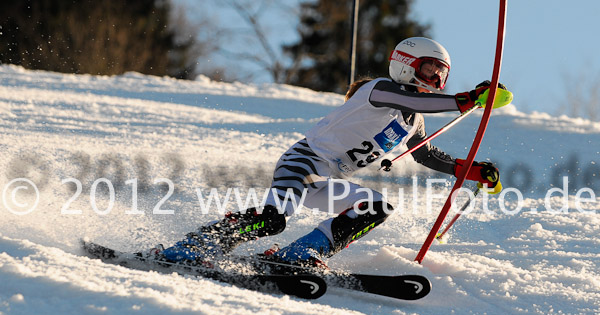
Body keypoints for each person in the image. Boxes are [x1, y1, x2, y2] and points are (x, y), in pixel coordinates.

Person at [158, 37, 507, 267]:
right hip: (304, 164)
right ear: (405, 63)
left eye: (441, 74)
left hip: (327, 179)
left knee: (375, 208)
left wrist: (472, 170)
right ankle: (194, 246)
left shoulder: (414, 117)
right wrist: (468, 99)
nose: (435, 78)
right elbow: (416, 99)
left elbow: (427, 156)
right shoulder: (380, 89)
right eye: (429, 68)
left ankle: (298, 256)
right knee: (272, 219)